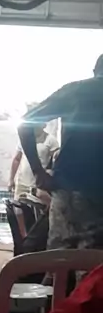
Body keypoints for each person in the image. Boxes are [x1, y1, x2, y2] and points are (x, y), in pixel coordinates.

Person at [19, 56, 103, 249]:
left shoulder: (75, 91)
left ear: (95, 71)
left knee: (60, 257)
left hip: (69, 193)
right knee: (95, 262)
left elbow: (25, 124)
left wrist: (38, 172)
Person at [8, 124, 59, 200]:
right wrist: (11, 179)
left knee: (38, 206)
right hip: (22, 183)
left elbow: (57, 159)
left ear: (44, 125)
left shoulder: (50, 140)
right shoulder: (24, 139)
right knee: (18, 206)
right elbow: (17, 159)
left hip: (39, 185)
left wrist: (50, 174)